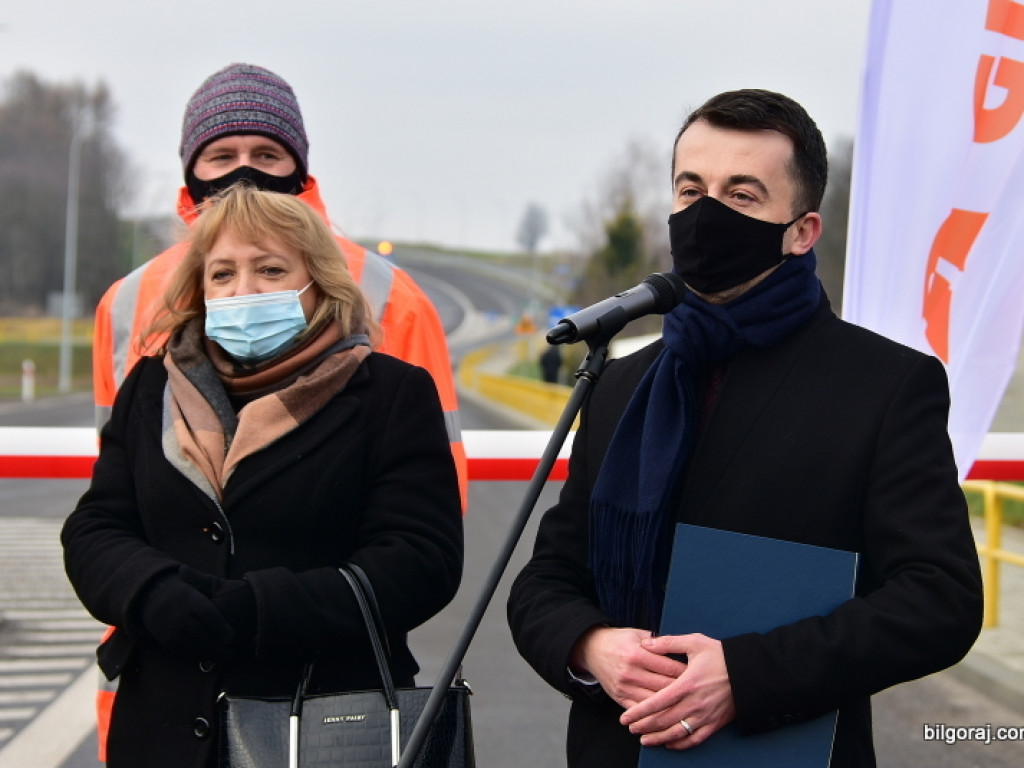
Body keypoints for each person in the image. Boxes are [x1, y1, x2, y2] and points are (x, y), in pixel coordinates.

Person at [506, 89, 984, 767]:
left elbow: (940, 599)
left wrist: (748, 675)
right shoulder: (619, 383)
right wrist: (591, 647)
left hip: (784, 749)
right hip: (618, 747)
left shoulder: (885, 386)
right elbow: (547, 579)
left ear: (803, 231)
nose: (706, 215)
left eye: (742, 195)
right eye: (690, 189)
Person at [89, 63, 468, 759]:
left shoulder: (389, 384)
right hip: (164, 715)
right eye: (223, 274)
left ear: (316, 280)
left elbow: (421, 551)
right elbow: (104, 518)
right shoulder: (149, 370)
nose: (243, 175)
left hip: (324, 721)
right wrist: (151, 593)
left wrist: (250, 610)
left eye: (271, 271)